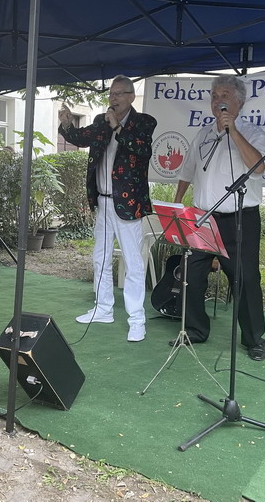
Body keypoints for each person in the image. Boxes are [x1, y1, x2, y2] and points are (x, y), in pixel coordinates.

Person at [174, 75, 265, 361]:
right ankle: (195, 329)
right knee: (191, 274)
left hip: (240, 218)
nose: (218, 101)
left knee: (245, 279)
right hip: (202, 217)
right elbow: (188, 170)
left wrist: (233, 132)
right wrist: (177, 203)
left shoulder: (252, 132)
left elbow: (258, 168)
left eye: (225, 96)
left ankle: (254, 339)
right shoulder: (203, 134)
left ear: (240, 101)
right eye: (215, 96)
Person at [58, 75, 157, 342]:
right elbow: (81, 138)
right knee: (100, 257)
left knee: (133, 262)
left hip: (128, 204)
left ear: (131, 97)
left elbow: (141, 150)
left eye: (118, 93)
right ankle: (103, 308)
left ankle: (136, 319)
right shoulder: (101, 121)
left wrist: (117, 127)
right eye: (111, 94)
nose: (113, 98)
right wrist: (67, 124)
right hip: (102, 201)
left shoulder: (144, 122)